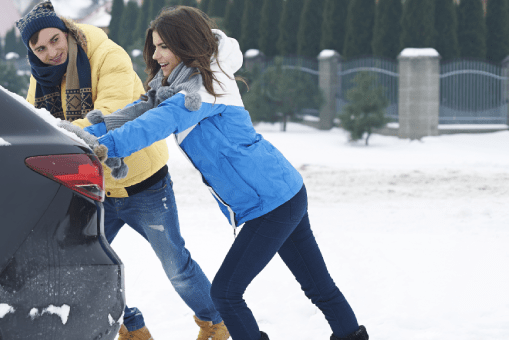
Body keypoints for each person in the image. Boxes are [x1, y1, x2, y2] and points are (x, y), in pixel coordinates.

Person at [82, 6, 369, 340]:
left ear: (185, 43)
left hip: (272, 202)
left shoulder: (202, 88)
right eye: (155, 45)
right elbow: (138, 112)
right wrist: (86, 135)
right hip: (281, 192)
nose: (156, 54)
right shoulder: (180, 84)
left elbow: (155, 123)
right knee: (318, 286)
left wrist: (104, 147)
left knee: (226, 294)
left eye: (164, 46)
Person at [15, 2, 229, 340]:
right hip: (91, 185)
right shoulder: (41, 77)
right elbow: (38, 122)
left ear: (67, 32)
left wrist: (64, 137)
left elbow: (111, 113)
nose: (50, 52)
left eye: (55, 40)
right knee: (78, 265)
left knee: (176, 266)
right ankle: (131, 328)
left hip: (142, 183)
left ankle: (215, 322)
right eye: (39, 48)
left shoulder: (106, 54)